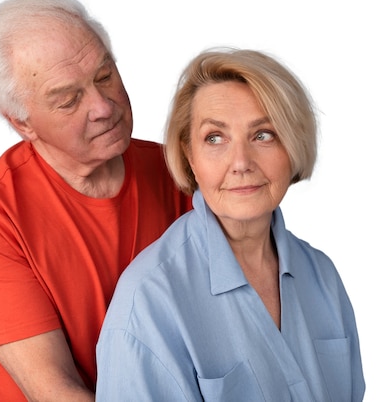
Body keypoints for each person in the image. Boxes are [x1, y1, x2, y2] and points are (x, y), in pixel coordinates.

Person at [0, 0, 191, 401]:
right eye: (68, 100)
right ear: (22, 123)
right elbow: (54, 390)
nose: (103, 106)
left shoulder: (180, 170)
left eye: (104, 76)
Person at [96, 48, 365, 401]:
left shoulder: (322, 275)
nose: (241, 162)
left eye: (263, 134)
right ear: (189, 155)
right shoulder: (147, 303)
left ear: (293, 145)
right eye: (215, 138)